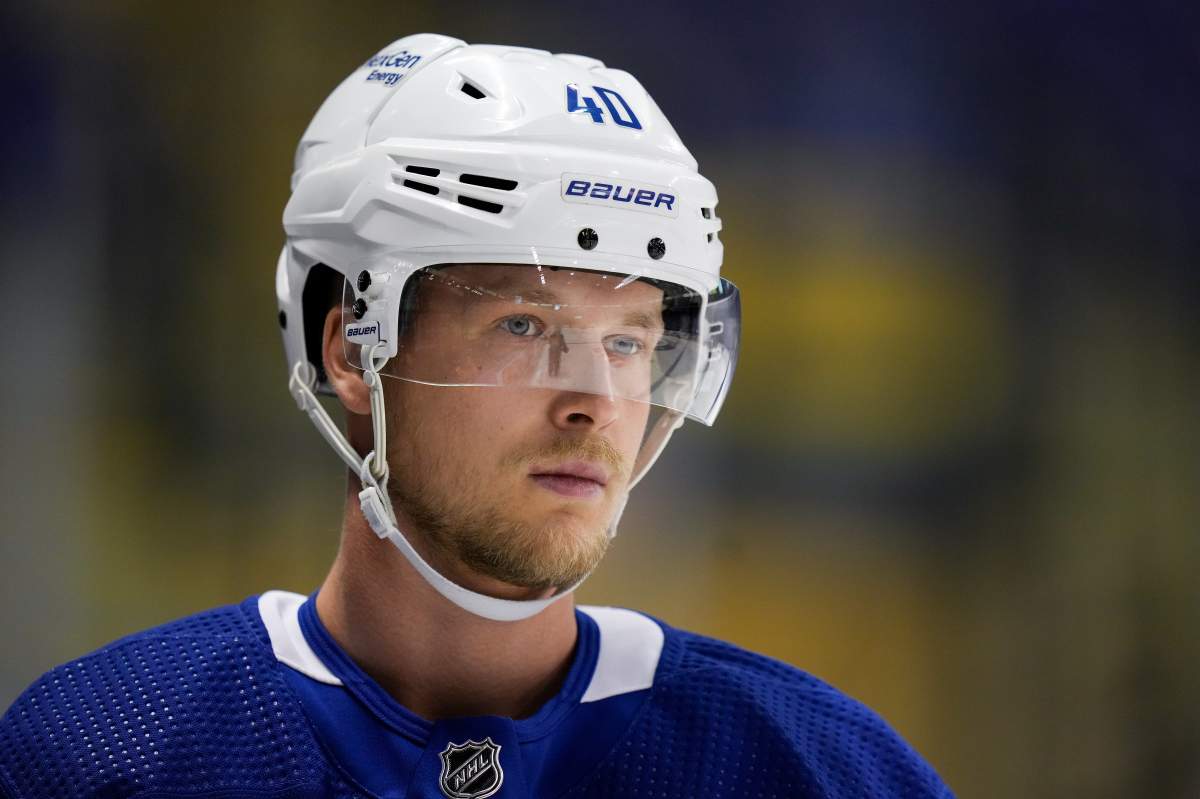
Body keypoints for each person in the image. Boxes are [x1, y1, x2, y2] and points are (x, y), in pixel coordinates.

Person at [0, 34, 953, 799]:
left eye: (627, 341)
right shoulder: (105, 749)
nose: (594, 403)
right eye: (525, 324)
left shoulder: (817, 768)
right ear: (353, 350)